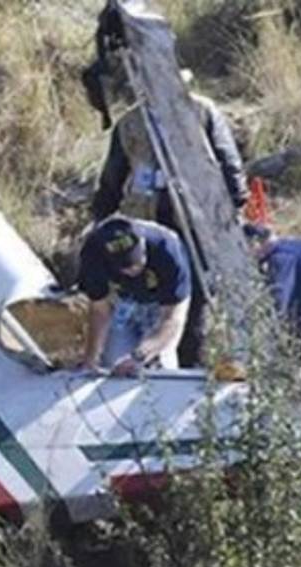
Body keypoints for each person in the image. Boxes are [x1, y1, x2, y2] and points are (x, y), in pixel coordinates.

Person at [91, 75, 249, 368]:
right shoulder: (131, 123)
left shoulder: (202, 112)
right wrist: (101, 218)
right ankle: (147, 360)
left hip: (195, 224)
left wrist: (234, 205)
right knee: (147, 296)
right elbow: (113, 175)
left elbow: (228, 161)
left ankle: (189, 363)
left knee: (193, 298)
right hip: (145, 224)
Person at [78, 214, 191, 376]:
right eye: (125, 266)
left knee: (158, 364)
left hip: (162, 303)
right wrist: (90, 360)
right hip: (125, 299)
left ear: (143, 245)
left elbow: (173, 319)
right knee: (113, 361)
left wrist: (140, 355)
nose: (133, 269)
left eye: (137, 262)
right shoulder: (92, 255)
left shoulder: (168, 249)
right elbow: (99, 310)